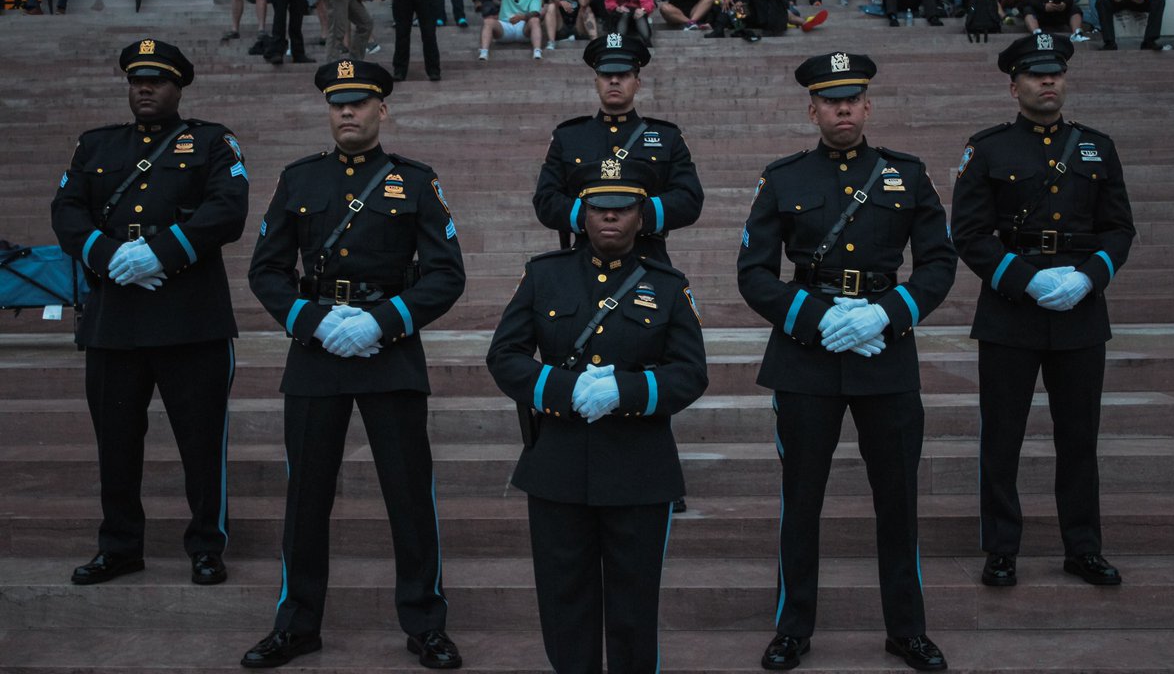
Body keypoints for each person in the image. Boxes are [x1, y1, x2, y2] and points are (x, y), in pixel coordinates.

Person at [242, 59, 466, 669]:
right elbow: (266, 268)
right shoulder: (299, 179)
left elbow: (448, 272)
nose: (347, 111)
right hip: (316, 352)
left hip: (388, 352)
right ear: (327, 109)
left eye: (360, 102)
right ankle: (297, 623)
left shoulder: (416, 181)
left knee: (408, 495)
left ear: (381, 109)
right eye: (338, 102)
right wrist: (313, 322)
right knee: (306, 498)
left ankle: (425, 623)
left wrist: (382, 321)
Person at [738, 51, 956, 673]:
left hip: (885, 354)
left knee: (898, 498)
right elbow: (754, 272)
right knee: (801, 499)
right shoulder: (783, 178)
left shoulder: (907, 175)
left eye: (852, 99)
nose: (842, 109)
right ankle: (792, 627)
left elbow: (939, 262)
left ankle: (907, 629)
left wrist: (889, 312)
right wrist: (817, 317)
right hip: (806, 359)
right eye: (829, 100)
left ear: (868, 106)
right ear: (812, 109)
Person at [487, 157, 708, 674]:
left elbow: (691, 373)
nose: (610, 217)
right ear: (581, 215)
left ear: (640, 216)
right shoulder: (544, 276)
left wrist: (624, 391)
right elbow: (505, 356)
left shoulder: (669, 286)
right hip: (559, 465)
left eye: (623, 207)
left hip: (639, 468)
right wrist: (563, 388)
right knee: (565, 605)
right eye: (599, 207)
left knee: (634, 607)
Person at [50, 38, 249, 589]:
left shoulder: (211, 142)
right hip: (115, 319)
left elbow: (227, 211)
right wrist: (111, 255)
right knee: (115, 441)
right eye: (136, 79)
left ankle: (207, 544)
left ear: (178, 86)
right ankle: (120, 546)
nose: (144, 88)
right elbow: (65, 210)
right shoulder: (96, 145)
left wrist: (160, 253)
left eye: (156, 80)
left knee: (202, 441)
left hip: (191, 320)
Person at [951, 34, 1136, 593]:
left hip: (1080, 309)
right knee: (1002, 436)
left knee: (1079, 437)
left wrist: (1090, 276)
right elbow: (969, 233)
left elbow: (1120, 227)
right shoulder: (987, 149)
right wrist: (1026, 279)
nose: (1047, 82)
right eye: (1035, 75)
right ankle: (1002, 548)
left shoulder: (1097, 148)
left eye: (1054, 73)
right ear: (1015, 86)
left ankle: (1083, 547)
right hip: (1011, 310)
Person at [533, 34, 703, 265]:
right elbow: (546, 200)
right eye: (606, 75)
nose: (614, 81)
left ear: (637, 82)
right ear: (596, 82)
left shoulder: (667, 137)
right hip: (582, 264)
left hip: (648, 262)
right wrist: (595, 219)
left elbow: (689, 199)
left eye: (623, 74)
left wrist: (635, 219)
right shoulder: (568, 137)